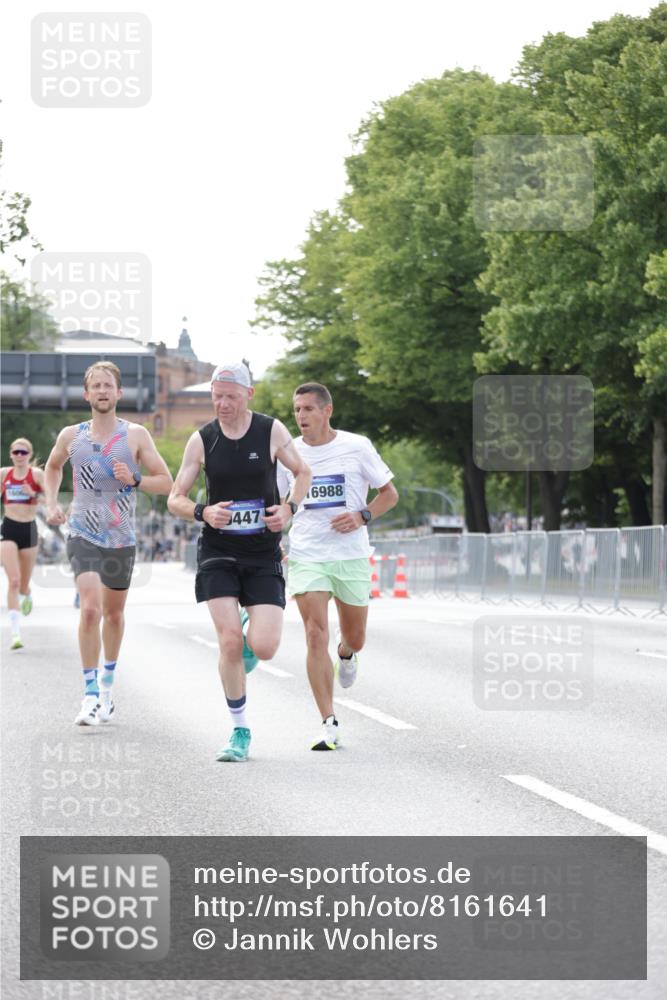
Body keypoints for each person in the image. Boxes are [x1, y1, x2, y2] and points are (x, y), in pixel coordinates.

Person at [167, 361, 311, 763]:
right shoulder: (203, 440)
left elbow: (303, 472)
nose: (222, 404)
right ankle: (239, 730)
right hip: (218, 550)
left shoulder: (271, 430)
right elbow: (174, 497)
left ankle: (250, 629)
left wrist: (289, 509)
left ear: (249, 394)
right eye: (216, 397)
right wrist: (202, 512)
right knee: (228, 641)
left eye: (230, 396)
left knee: (263, 648)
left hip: (262, 551)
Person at [44, 362, 173, 726]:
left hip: (120, 537)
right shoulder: (71, 436)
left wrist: (134, 478)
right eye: (95, 386)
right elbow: (53, 467)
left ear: (119, 393)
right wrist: (52, 503)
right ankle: (88, 695)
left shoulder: (136, 436)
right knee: (89, 610)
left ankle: (106, 688)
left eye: (108, 386)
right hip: (82, 531)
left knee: (114, 614)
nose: (102, 391)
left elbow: (166, 481)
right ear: (87, 394)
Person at [277, 382, 398, 751]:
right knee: (315, 634)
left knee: (355, 636)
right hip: (307, 552)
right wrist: (276, 543)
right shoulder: (288, 454)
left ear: (327, 411)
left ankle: (347, 654)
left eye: (309, 409)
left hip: (350, 555)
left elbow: (389, 495)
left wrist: (362, 516)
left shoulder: (356, 446)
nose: (301, 417)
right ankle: (328, 722)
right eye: (297, 410)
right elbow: (282, 503)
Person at [1, 438, 44, 650]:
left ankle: (27, 594)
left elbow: (50, 499)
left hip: (29, 530)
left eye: (23, 452)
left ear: (29, 455)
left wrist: (33, 494)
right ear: (11, 455)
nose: (19, 455)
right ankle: (15, 633)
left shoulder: (37, 475)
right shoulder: (3, 474)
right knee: (14, 581)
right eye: (16, 452)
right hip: (8, 528)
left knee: (24, 584)